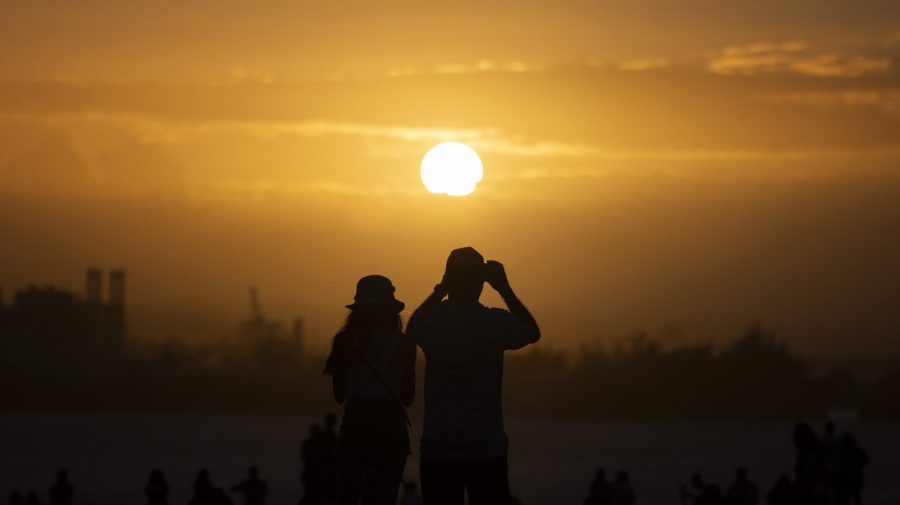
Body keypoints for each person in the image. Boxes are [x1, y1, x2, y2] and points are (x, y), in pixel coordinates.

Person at [407, 247, 540, 505]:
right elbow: (532, 332)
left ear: (448, 278)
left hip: (439, 449)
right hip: (487, 449)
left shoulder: (434, 321)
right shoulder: (494, 322)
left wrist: (440, 289)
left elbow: (412, 329)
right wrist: (504, 288)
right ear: (481, 283)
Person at [323, 274, 416, 505]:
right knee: (385, 496)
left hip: (356, 426)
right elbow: (408, 396)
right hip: (391, 428)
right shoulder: (404, 344)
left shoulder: (344, 342)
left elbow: (339, 395)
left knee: (348, 494)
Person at [792, 423, 824, 505]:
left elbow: (801, 468)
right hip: (812, 483)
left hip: (808, 483)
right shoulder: (815, 449)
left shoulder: (804, 451)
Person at [835, 434, 868, 505]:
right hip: (855, 476)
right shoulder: (857, 450)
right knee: (856, 497)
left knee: (848, 497)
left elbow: (841, 464)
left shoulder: (845, 451)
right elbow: (865, 459)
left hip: (847, 477)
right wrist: (859, 465)